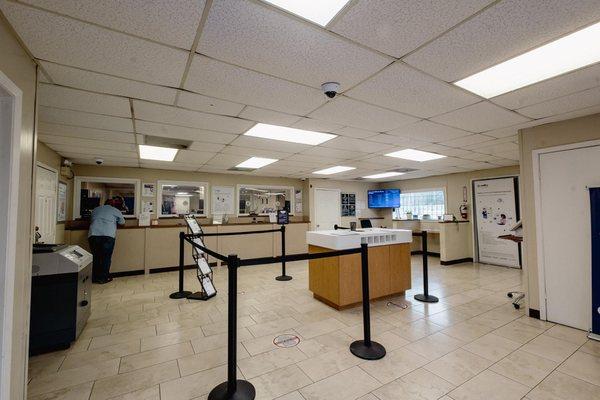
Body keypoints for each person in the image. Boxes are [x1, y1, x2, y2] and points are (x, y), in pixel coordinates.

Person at [88, 199, 125, 284]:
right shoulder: (115, 210)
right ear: (113, 204)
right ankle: (103, 278)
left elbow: (91, 220)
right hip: (108, 235)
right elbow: (122, 222)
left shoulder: (96, 209)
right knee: (106, 257)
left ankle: (94, 278)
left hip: (93, 235)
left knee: (95, 257)